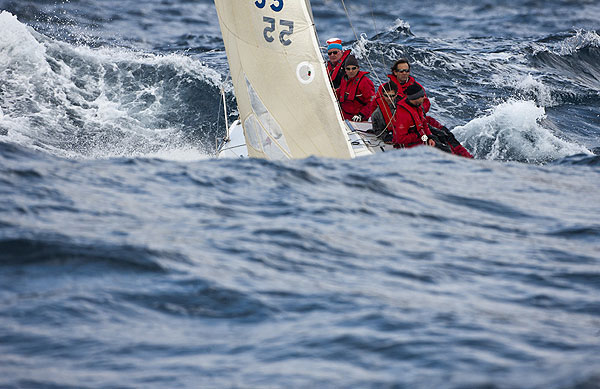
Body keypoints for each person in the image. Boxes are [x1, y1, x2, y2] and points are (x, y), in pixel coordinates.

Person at [393, 84, 473, 158]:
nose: (425, 98)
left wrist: (429, 137)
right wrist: (421, 136)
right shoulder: (403, 116)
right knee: (445, 151)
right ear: (415, 98)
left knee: (445, 137)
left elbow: (423, 123)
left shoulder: (417, 106)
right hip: (413, 145)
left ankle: (467, 158)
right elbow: (400, 139)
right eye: (422, 96)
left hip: (422, 138)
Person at [336, 55, 376, 122]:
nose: (351, 71)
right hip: (343, 115)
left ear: (358, 68)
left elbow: (371, 102)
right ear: (345, 70)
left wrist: (361, 115)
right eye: (348, 69)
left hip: (357, 118)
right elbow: (339, 93)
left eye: (353, 68)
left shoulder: (365, 82)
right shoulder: (344, 79)